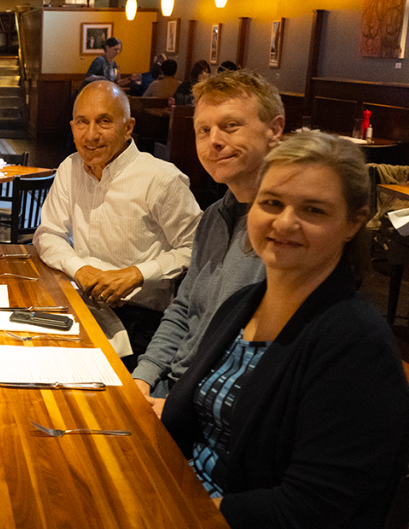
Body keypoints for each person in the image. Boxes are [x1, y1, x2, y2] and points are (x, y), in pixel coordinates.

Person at [162, 131, 409, 527]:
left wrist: (171, 513)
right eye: (272, 203)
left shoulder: (357, 346)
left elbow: (311, 508)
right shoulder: (241, 304)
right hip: (179, 495)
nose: (284, 222)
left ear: (353, 223)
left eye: (313, 210)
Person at [132, 69, 284, 413]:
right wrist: (143, 377)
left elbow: (263, 363)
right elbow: (184, 309)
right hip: (171, 386)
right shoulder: (213, 216)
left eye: (230, 126)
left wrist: (175, 408)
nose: (214, 141)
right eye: (204, 130)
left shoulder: (285, 233)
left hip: (210, 411)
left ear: (274, 130)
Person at [33, 81, 201, 369]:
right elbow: (48, 233)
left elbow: (196, 249)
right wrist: (80, 268)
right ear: (72, 126)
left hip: (141, 320)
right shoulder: (69, 168)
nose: (91, 135)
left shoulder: (161, 179)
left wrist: (138, 273)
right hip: (80, 304)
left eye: (104, 122)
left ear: (128, 127)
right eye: (82, 123)